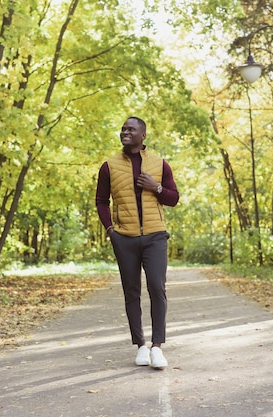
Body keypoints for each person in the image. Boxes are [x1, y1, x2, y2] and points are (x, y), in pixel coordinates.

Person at [95, 116, 179, 370]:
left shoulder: (160, 164)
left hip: (155, 236)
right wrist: (111, 230)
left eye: (130, 129)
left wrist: (156, 188)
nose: (125, 132)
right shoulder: (108, 166)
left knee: (157, 287)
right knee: (131, 291)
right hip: (125, 238)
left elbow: (173, 199)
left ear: (143, 135)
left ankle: (157, 347)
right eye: (123, 129)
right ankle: (140, 345)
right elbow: (101, 201)